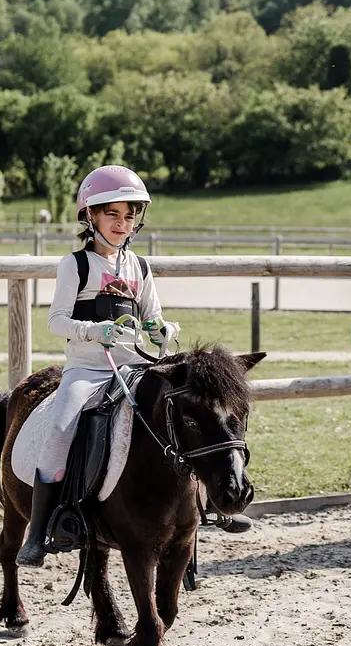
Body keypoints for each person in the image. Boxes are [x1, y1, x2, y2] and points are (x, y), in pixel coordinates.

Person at [16, 166, 249, 569]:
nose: (122, 224)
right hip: (86, 371)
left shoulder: (139, 267)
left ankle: (215, 504)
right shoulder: (76, 265)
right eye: (113, 215)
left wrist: (161, 330)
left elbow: (153, 320)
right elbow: (56, 322)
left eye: (129, 216)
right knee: (59, 429)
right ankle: (41, 531)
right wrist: (94, 330)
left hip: (136, 367)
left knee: (187, 416)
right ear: (91, 216)